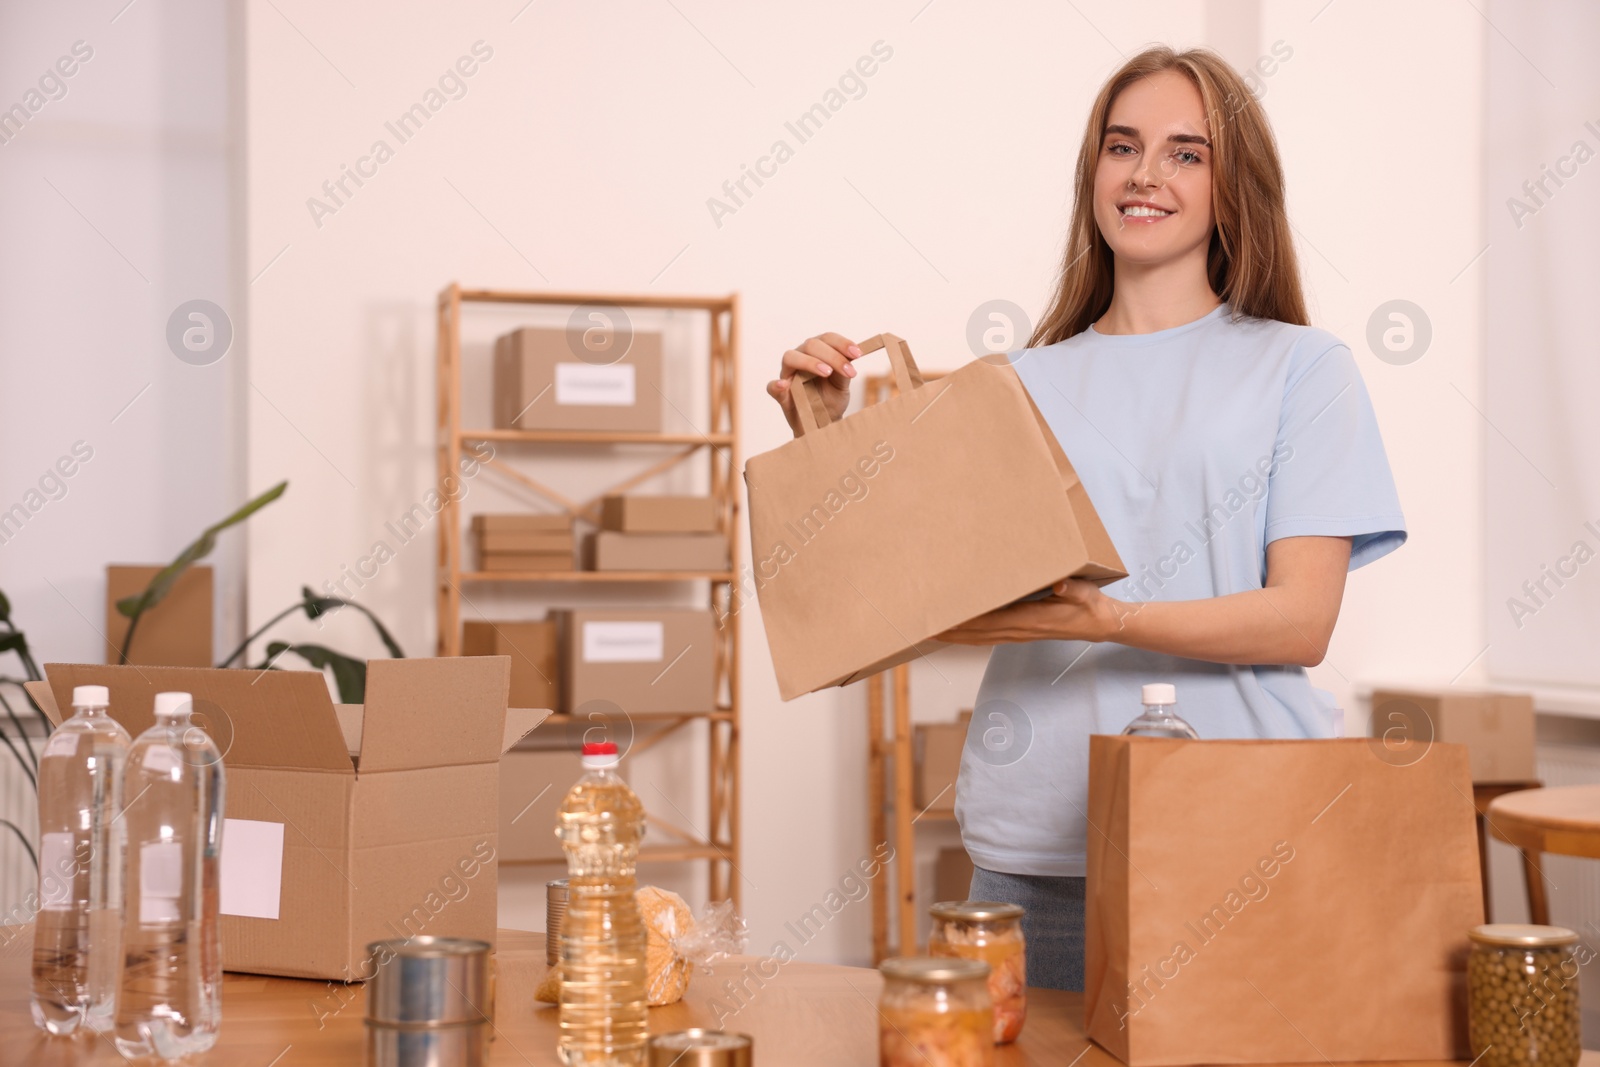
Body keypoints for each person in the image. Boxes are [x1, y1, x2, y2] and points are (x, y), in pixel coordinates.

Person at [765, 45, 1405, 990]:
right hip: (1036, 844)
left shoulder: (1302, 370)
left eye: (1187, 153)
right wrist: (825, 437)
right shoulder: (1010, 387)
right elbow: (912, 597)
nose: (1146, 174)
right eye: (1123, 146)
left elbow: (1301, 618)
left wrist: (1118, 620)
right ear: (1092, 173)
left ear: (1236, 190)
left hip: (1237, 828)